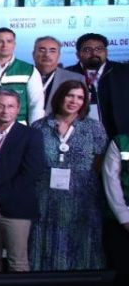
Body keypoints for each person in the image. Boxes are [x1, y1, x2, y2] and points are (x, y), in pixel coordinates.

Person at [30, 80, 108, 271]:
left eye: (80, 97)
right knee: (44, 241)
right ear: (60, 97)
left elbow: (100, 162)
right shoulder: (39, 127)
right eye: (70, 95)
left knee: (83, 245)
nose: (74, 101)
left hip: (83, 198)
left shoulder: (94, 128)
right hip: (45, 198)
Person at [0, 90, 46, 273]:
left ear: (18, 109)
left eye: (10, 106)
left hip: (16, 208)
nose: (5, 110)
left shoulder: (31, 135)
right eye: (0, 105)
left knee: (18, 261)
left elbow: (31, 173)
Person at [67, 32, 129, 138]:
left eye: (99, 49)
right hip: (80, 138)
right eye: (87, 49)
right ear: (78, 54)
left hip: (121, 137)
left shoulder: (124, 72)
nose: (94, 53)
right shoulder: (66, 75)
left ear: (106, 52)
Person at [0, 28, 44, 126]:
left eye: (9, 41)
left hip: (19, 129)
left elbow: (36, 105)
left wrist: (34, 131)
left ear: (14, 45)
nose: (4, 45)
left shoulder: (29, 70)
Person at [101, 127, 129, 286]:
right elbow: (112, 180)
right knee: (124, 275)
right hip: (122, 221)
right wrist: (124, 217)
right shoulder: (120, 142)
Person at [33, 35, 83, 113]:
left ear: (59, 55)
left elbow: (82, 112)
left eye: (52, 51)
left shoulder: (76, 79)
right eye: (42, 50)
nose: (47, 54)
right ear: (33, 54)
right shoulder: (23, 76)